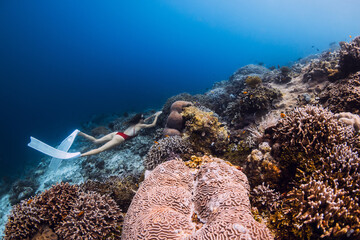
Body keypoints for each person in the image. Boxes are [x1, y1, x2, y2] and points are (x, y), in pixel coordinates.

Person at [78, 111, 162, 157]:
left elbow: (144, 120)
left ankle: (80, 133)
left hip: (117, 134)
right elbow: (153, 125)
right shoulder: (140, 125)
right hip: (121, 138)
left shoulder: (134, 123)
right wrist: (156, 116)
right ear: (140, 120)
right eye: (143, 118)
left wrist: (152, 116)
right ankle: (80, 155)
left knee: (96, 141)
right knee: (100, 150)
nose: (144, 119)